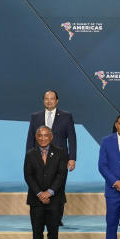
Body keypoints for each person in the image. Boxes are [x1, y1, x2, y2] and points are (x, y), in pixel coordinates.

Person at [27, 90, 76, 225]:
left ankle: (56, 218)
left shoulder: (66, 116)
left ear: (57, 100)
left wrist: (72, 158)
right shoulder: (35, 116)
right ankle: (40, 215)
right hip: (39, 158)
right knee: (39, 184)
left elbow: (72, 138)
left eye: (52, 99)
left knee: (58, 187)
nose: (49, 101)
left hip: (60, 158)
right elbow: (31, 137)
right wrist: (28, 156)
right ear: (43, 100)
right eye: (46, 99)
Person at [23, 125, 66, 239]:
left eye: (45, 135)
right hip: (36, 200)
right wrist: (40, 193)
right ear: (36, 137)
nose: (42, 138)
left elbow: (61, 175)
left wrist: (50, 192)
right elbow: (28, 175)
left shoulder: (60, 153)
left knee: (53, 231)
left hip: (55, 199)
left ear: (51, 137)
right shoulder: (30, 154)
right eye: (40, 135)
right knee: (37, 231)